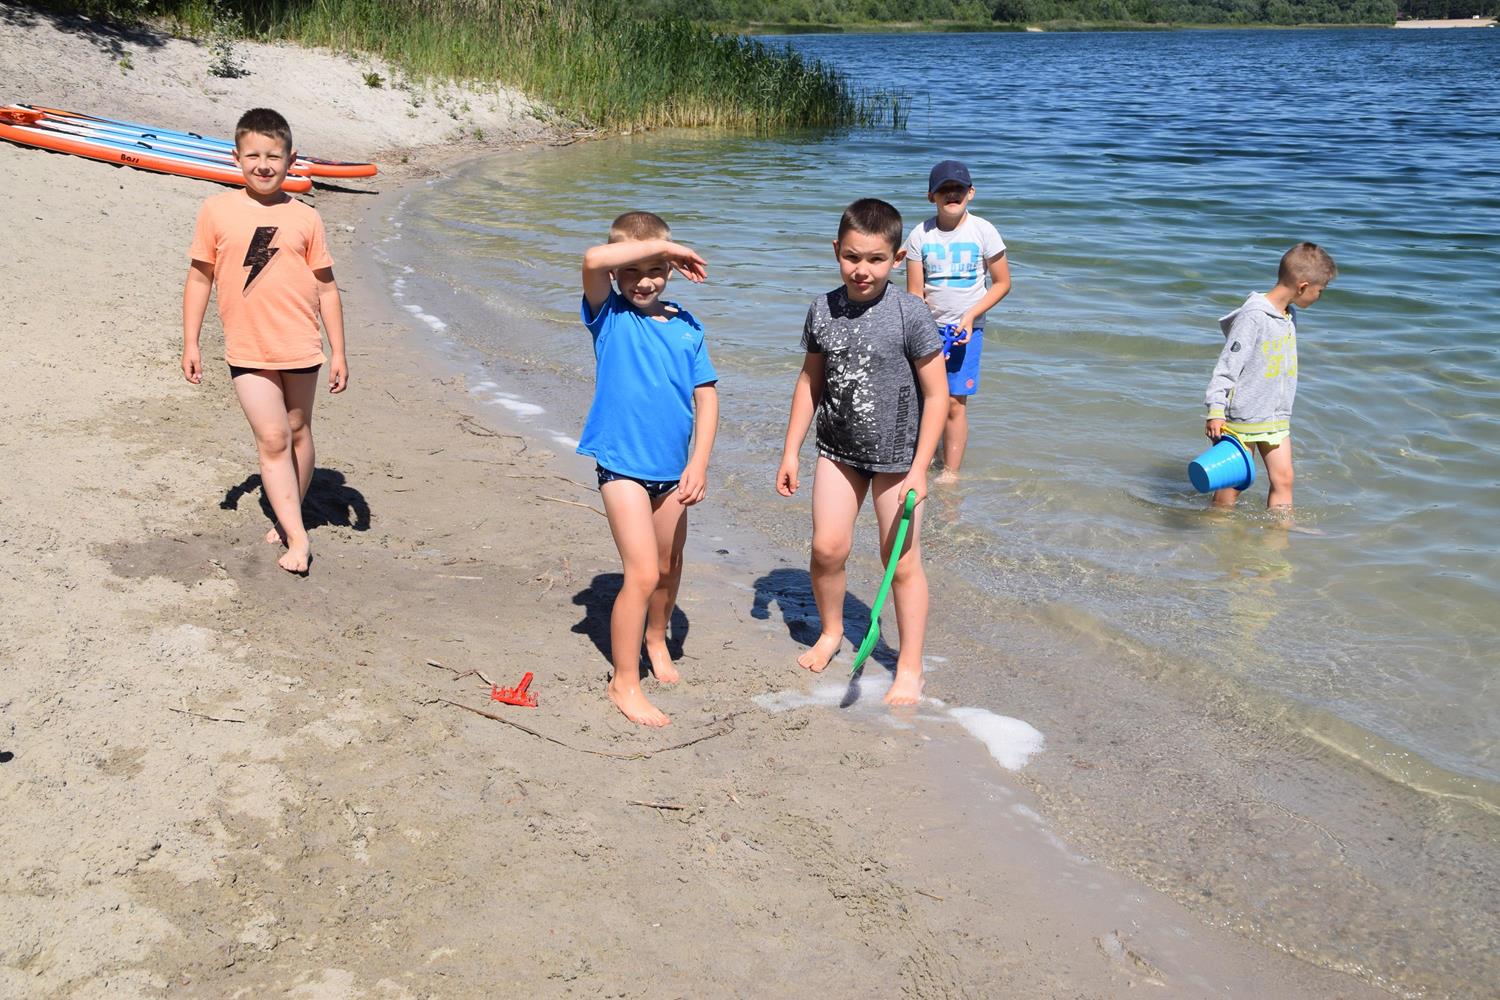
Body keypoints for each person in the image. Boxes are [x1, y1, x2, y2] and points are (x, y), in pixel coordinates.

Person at [776, 198, 948, 706]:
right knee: (827, 549)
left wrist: (921, 469)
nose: (862, 269)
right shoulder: (822, 310)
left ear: (897, 258)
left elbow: (938, 395)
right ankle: (832, 631)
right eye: (852, 257)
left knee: (902, 563)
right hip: (837, 450)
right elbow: (809, 382)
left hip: (899, 460)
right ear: (837, 250)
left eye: (876, 259)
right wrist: (791, 451)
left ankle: (909, 666)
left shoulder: (910, 314)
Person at [182, 108, 348, 575]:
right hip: (248, 346)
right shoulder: (216, 210)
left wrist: (339, 351)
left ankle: (289, 511)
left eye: (273, 156)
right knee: (273, 437)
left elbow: (327, 289)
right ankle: (298, 536)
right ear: (236, 158)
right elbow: (199, 279)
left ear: (291, 160)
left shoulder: (306, 218)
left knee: (297, 429)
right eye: (253, 155)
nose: (263, 165)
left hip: (299, 344)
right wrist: (191, 342)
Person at [579, 211, 719, 728]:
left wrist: (698, 463)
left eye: (656, 270)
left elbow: (707, 397)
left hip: (673, 471)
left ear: (671, 272)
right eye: (633, 270)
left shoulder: (687, 325)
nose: (644, 281)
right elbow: (593, 258)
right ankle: (624, 682)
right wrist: (666, 248)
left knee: (668, 564)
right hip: (621, 466)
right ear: (617, 273)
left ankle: (656, 638)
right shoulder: (608, 315)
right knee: (640, 572)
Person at [1203, 242, 1337, 512]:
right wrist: (1216, 409)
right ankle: (1218, 526)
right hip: (1243, 417)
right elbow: (1227, 365)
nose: (1319, 297)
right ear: (1302, 286)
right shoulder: (1253, 317)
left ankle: (1280, 530)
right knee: (1233, 483)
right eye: (1320, 291)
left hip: (1276, 417)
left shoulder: (1288, 315)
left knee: (1284, 479)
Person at [904, 159, 1011, 483]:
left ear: (971, 193)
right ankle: (928, 457)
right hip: (928, 330)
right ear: (931, 196)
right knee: (927, 398)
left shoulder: (983, 231)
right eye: (944, 189)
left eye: (958, 189)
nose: (952, 194)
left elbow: (1002, 283)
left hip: (967, 330)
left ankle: (950, 473)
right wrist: (922, 329)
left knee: (954, 402)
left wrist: (970, 316)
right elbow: (914, 293)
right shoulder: (920, 235)